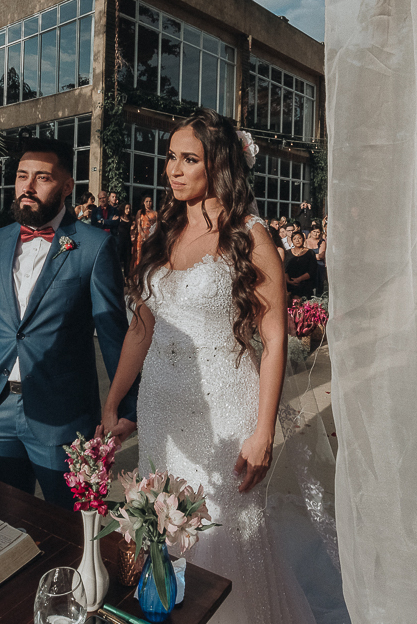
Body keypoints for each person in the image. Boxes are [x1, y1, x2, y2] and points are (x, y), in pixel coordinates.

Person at [100, 108, 313, 624]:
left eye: (188, 159)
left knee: (220, 533)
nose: (173, 169)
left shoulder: (251, 235)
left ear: (217, 166)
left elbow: (274, 336)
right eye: (171, 157)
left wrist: (263, 432)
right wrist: (112, 402)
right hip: (159, 409)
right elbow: (140, 329)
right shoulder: (161, 233)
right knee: (162, 529)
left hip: (225, 410)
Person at [0, 138, 136, 509]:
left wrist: (125, 406)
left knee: (68, 527)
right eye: (22, 176)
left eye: (42, 178)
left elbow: (113, 334)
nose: (28, 186)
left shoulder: (93, 245)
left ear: (67, 186)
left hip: (63, 415)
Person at [284, 231, 319, 299]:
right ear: (292, 241)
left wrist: (299, 279)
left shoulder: (310, 253)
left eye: (299, 238)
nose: (297, 240)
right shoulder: (287, 253)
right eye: (294, 239)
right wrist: (289, 281)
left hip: (305, 285)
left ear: (303, 239)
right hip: (290, 286)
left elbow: (312, 270)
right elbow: (285, 269)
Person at [132, 194, 157, 269]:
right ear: (143, 202)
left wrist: (151, 235)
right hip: (141, 236)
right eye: (147, 201)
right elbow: (138, 225)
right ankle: (136, 275)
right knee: (139, 255)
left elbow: (156, 225)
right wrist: (142, 234)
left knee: (148, 255)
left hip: (151, 235)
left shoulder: (155, 213)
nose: (148, 203)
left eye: (150, 201)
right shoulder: (140, 212)